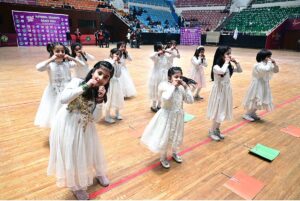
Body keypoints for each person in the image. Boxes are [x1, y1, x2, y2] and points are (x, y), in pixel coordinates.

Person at [47, 61, 114, 200]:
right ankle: (76, 186)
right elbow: (63, 99)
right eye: (99, 73)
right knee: (72, 154)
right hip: (68, 124)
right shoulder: (77, 81)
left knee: (91, 151)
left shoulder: (100, 92)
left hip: (85, 126)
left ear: (108, 80)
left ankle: (99, 172)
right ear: (93, 71)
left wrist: (100, 100)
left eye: (106, 77)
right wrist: (86, 85)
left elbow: (95, 118)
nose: (101, 77)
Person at [141, 67, 194, 169]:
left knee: (176, 135)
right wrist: (173, 86)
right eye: (176, 77)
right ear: (170, 78)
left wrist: (186, 87)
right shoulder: (164, 86)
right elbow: (165, 98)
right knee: (165, 136)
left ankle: (175, 152)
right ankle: (163, 157)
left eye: (180, 77)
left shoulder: (181, 88)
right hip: (166, 117)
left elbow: (190, 100)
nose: (178, 79)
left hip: (178, 116)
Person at [34, 42, 85, 128]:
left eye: (62, 51)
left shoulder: (67, 64)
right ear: (52, 52)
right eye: (57, 51)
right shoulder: (50, 65)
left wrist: (71, 57)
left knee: (66, 112)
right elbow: (38, 67)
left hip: (67, 90)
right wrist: (51, 59)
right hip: (54, 92)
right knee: (54, 112)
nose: (60, 53)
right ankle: (56, 132)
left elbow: (82, 64)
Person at [207, 46, 242, 141]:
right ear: (221, 55)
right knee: (218, 111)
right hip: (219, 91)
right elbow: (221, 71)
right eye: (227, 54)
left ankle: (216, 130)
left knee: (222, 111)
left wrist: (236, 62)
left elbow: (240, 70)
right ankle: (211, 131)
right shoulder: (216, 67)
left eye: (230, 53)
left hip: (226, 90)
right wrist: (227, 62)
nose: (229, 56)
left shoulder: (228, 66)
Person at [242, 49, 279, 121]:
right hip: (257, 85)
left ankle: (252, 113)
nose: (270, 58)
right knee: (256, 99)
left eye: (270, 56)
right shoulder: (258, 65)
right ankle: (247, 114)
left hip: (264, 84)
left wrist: (274, 63)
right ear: (263, 57)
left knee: (261, 99)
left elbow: (276, 70)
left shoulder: (268, 64)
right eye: (268, 56)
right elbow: (265, 70)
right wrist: (269, 62)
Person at [148, 42, 175, 112]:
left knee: (162, 90)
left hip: (164, 76)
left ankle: (159, 105)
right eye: (161, 48)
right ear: (157, 49)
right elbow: (150, 56)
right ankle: (153, 106)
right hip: (157, 75)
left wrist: (167, 51)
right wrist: (158, 52)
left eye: (163, 48)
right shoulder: (156, 57)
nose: (163, 49)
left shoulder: (166, 56)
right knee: (155, 89)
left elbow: (173, 54)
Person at [104, 48, 124, 123]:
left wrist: (119, 65)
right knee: (109, 98)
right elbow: (107, 68)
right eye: (116, 54)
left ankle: (117, 113)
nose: (118, 56)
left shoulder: (116, 62)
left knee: (117, 97)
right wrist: (114, 60)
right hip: (109, 82)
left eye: (119, 55)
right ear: (111, 54)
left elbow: (118, 75)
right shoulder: (107, 60)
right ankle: (107, 116)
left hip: (116, 82)